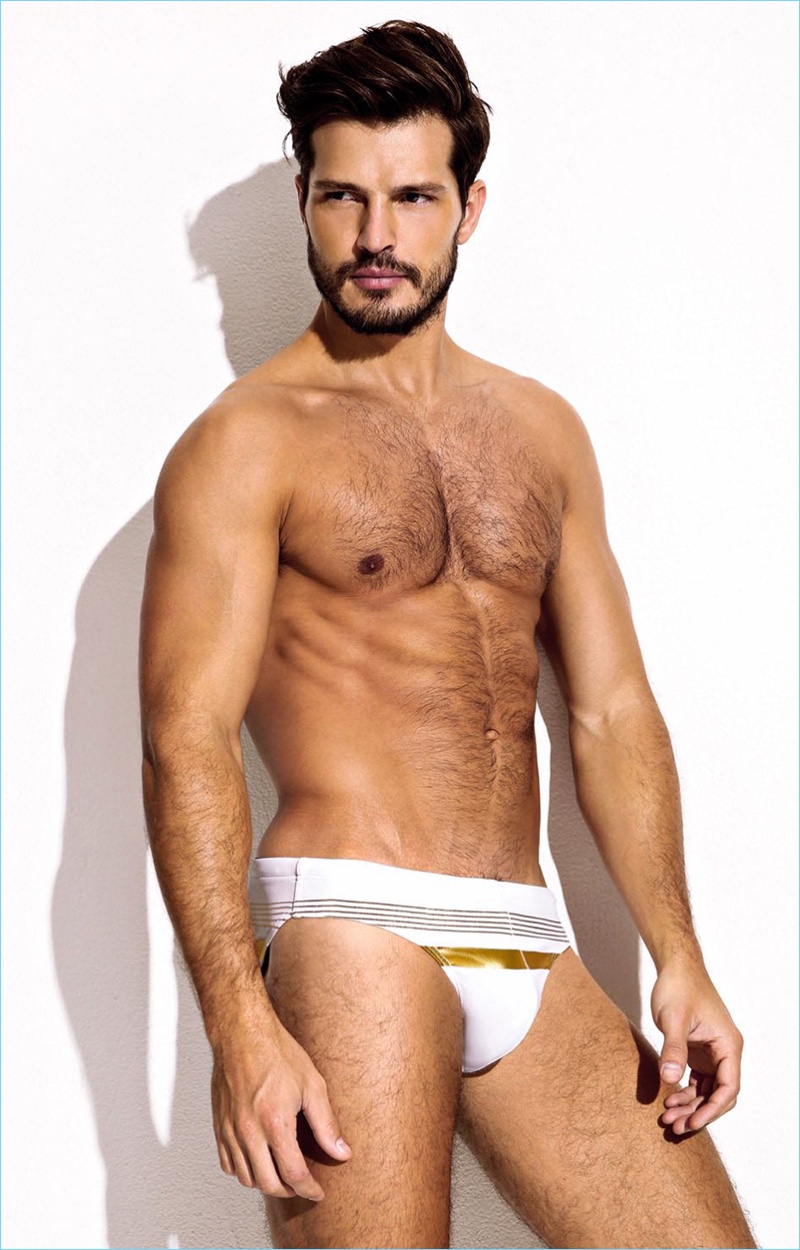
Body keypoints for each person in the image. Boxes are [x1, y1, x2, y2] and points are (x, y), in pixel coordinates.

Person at [139, 20, 755, 1249]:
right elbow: (184, 735)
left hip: (526, 938)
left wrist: (676, 953)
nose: (376, 236)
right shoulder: (246, 440)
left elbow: (609, 711)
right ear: (305, 203)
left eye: (412, 197)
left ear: (467, 208)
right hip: (350, 923)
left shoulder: (541, 431)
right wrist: (238, 1022)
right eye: (343, 198)